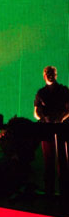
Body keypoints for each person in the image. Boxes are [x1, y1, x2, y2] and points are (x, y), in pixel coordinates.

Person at [33, 65, 69, 197]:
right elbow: (36, 112)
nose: (50, 75)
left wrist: (60, 118)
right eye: (48, 73)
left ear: (56, 75)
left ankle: (63, 190)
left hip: (61, 127)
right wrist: (42, 117)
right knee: (48, 160)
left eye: (52, 72)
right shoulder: (41, 93)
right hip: (48, 128)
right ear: (44, 75)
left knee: (62, 160)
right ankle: (50, 190)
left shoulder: (64, 91)